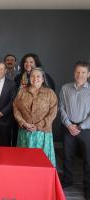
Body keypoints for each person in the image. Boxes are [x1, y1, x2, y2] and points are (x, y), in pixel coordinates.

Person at [13, 67, 58, 167]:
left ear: (43, 79)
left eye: (38, 76)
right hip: (25, 132)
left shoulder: (50, 93)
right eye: (32, 76)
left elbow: (53, 112)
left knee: (42, 162)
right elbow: (15, 108)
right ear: (29, 78)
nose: (35, 78)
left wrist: (37, 126)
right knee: (24, 161)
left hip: (43, 134)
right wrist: (23, 123)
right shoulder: (22, 92)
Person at [59, 61, 90, 199]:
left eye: (83, 72)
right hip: (68, 128)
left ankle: (88, 186)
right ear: (74, 73)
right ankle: (67, 180)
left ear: (88, 74)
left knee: (88, 159)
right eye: (78, 72)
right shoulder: (65, 88)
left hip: (86, 129)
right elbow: (61, 108)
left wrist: (80, 126)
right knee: (67, 156)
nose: (80, 75)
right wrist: (68, 124)